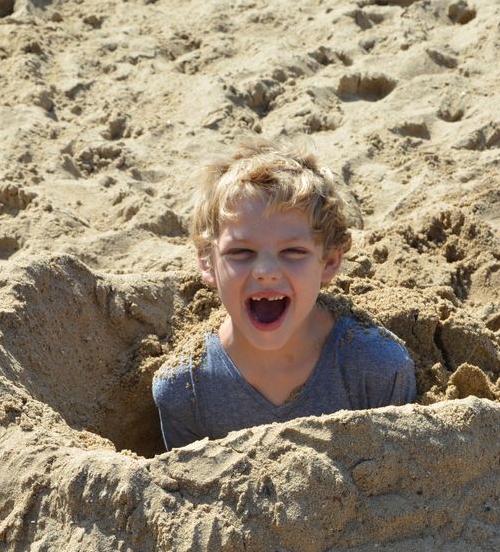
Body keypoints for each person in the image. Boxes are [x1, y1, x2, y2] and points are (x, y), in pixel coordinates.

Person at [152, 138, 416, 450]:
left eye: (292, 251)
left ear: (330, 261)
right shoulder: (186, 389)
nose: (266, 270)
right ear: (208, 261)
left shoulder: (376, 367)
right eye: (241, 252)